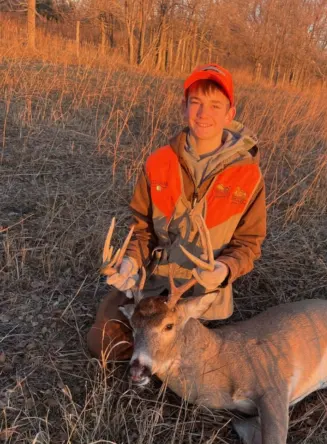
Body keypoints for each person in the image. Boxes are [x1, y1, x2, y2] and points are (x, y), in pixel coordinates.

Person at [87, 64, 267, 361]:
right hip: (152, 285)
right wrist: (130, 263)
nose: (203, 113)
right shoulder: (159, 162)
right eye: (196, 103)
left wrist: (224, 269)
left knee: (191, 361)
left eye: (215, 105)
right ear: (184, 108)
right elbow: (143, 230)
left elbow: (249, 243)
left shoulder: (247, 175)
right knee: (104, 344)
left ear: (230, 114)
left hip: (201, 296)